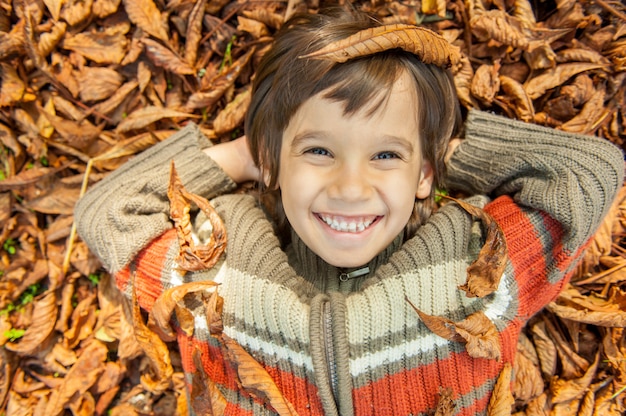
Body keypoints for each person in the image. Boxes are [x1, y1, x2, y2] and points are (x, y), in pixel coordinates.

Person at [74, 8, 624, 416]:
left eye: (385, 155)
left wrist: (438, 154)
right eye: (318, 151)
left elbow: (588, 174)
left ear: (423, 175)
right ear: (275, 162)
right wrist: (246, 156)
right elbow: (108, 214)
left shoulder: (478, 268)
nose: (351, 186)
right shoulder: (213, 270)